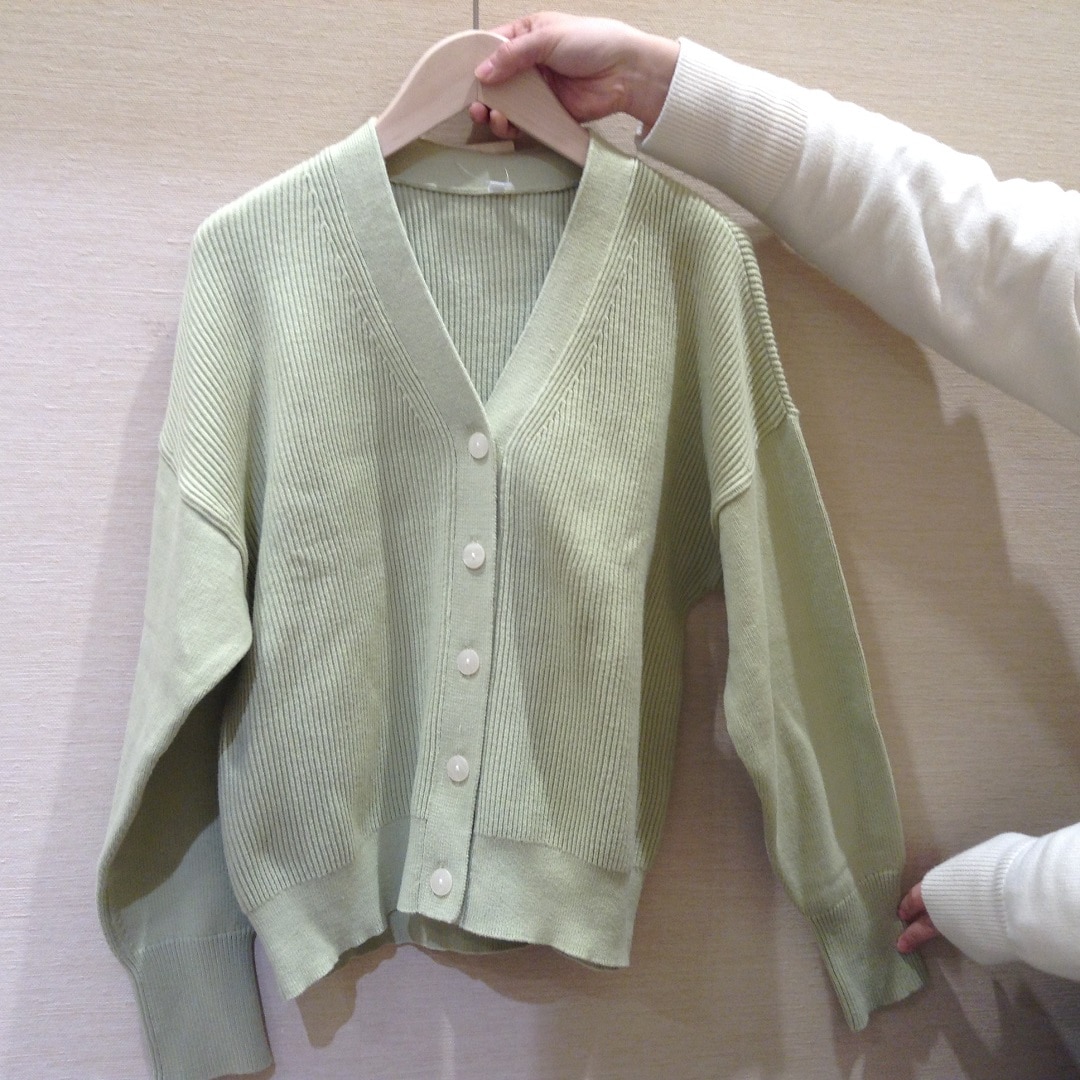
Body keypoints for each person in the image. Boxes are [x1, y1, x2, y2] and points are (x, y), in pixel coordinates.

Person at [470, 12, 1080, 982]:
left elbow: (778, 610)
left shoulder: (692, 268)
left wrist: (1006, 898)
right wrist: (659, 87)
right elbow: (988, 255)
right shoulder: (260, 260)